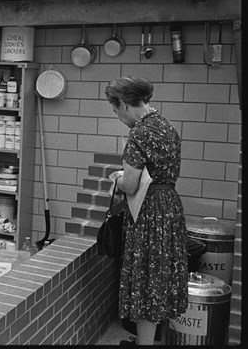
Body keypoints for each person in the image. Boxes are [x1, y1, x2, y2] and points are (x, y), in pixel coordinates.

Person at [104, 76, 188, 346]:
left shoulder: (139, 132)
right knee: (158, 278)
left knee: (144, 280)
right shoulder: (167, 125)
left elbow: (129, 184)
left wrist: (116, 178)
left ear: (123, 104)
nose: (118, 117)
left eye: (115, 111)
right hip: (170, 207)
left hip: (149, 211)